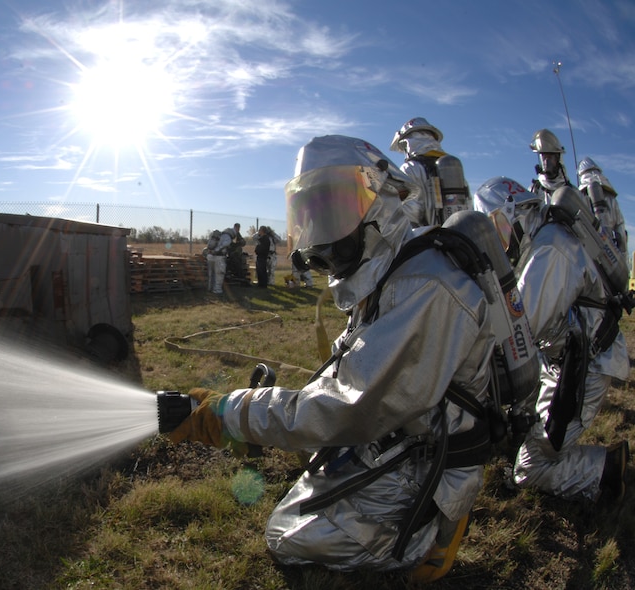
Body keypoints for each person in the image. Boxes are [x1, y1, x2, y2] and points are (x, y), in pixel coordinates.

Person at [168, 135, 498, 581]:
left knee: (286, 536)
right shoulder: (389, 270)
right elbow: (343, 378)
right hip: (398, 435)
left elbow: (349, 406)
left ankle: (425, 539)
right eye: (311, 214)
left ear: (381, 203)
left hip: (427, 462)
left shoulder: (424, 285)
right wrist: (253, 421)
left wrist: (235, 414)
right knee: (299, 504)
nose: (320, 230)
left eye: (335, 208)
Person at [476, 181, 630, 503]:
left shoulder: (549, 251)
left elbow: (521, 332)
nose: (500, 245)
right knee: (529, 430)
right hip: (565, 359)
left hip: (581, 371)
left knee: (530, 468)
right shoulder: (545, 239)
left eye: (499, 229)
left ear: (514, 212)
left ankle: (605, 471)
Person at [389, 116, 471, 227]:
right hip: (461, 234)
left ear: (407, 143)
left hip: (430, 236)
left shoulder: (410, 168)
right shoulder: (453, 168)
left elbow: (409, 214)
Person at [578, 156, 628, 254]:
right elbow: (621, 231)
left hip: (589, 252)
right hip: (611, 251)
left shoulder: (580, 198)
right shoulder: (612, 199)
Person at [528, 128, 574, 203]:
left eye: (550, 157)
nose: (546, 161)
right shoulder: (534, 190)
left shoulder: (572, 192)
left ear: (558, 159)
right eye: (544, 157)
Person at [207, 223, 240, 294]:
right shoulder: (228, 237)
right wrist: (215, 251)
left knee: (211, 273)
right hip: (219, 257)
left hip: (210, 256)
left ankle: (210, 288)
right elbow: (223, 246)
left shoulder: (219, 235)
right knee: (219, 274)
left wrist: (212, 251)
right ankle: (217, 290)